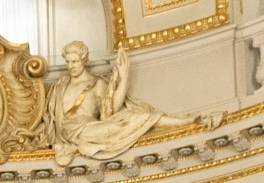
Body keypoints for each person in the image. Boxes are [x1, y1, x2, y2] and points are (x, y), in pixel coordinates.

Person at [44, 40, 193, 166]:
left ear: (85, 61)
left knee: (129, 118)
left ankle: (179, 123)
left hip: (89, 128)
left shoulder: (97, 84)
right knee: (121, 124)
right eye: (68, 62)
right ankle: (176, 122)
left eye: (75, 61)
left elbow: (110, 112)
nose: (71, 66)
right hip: (70, 132)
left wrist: (124, 77)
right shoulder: (60, 85)